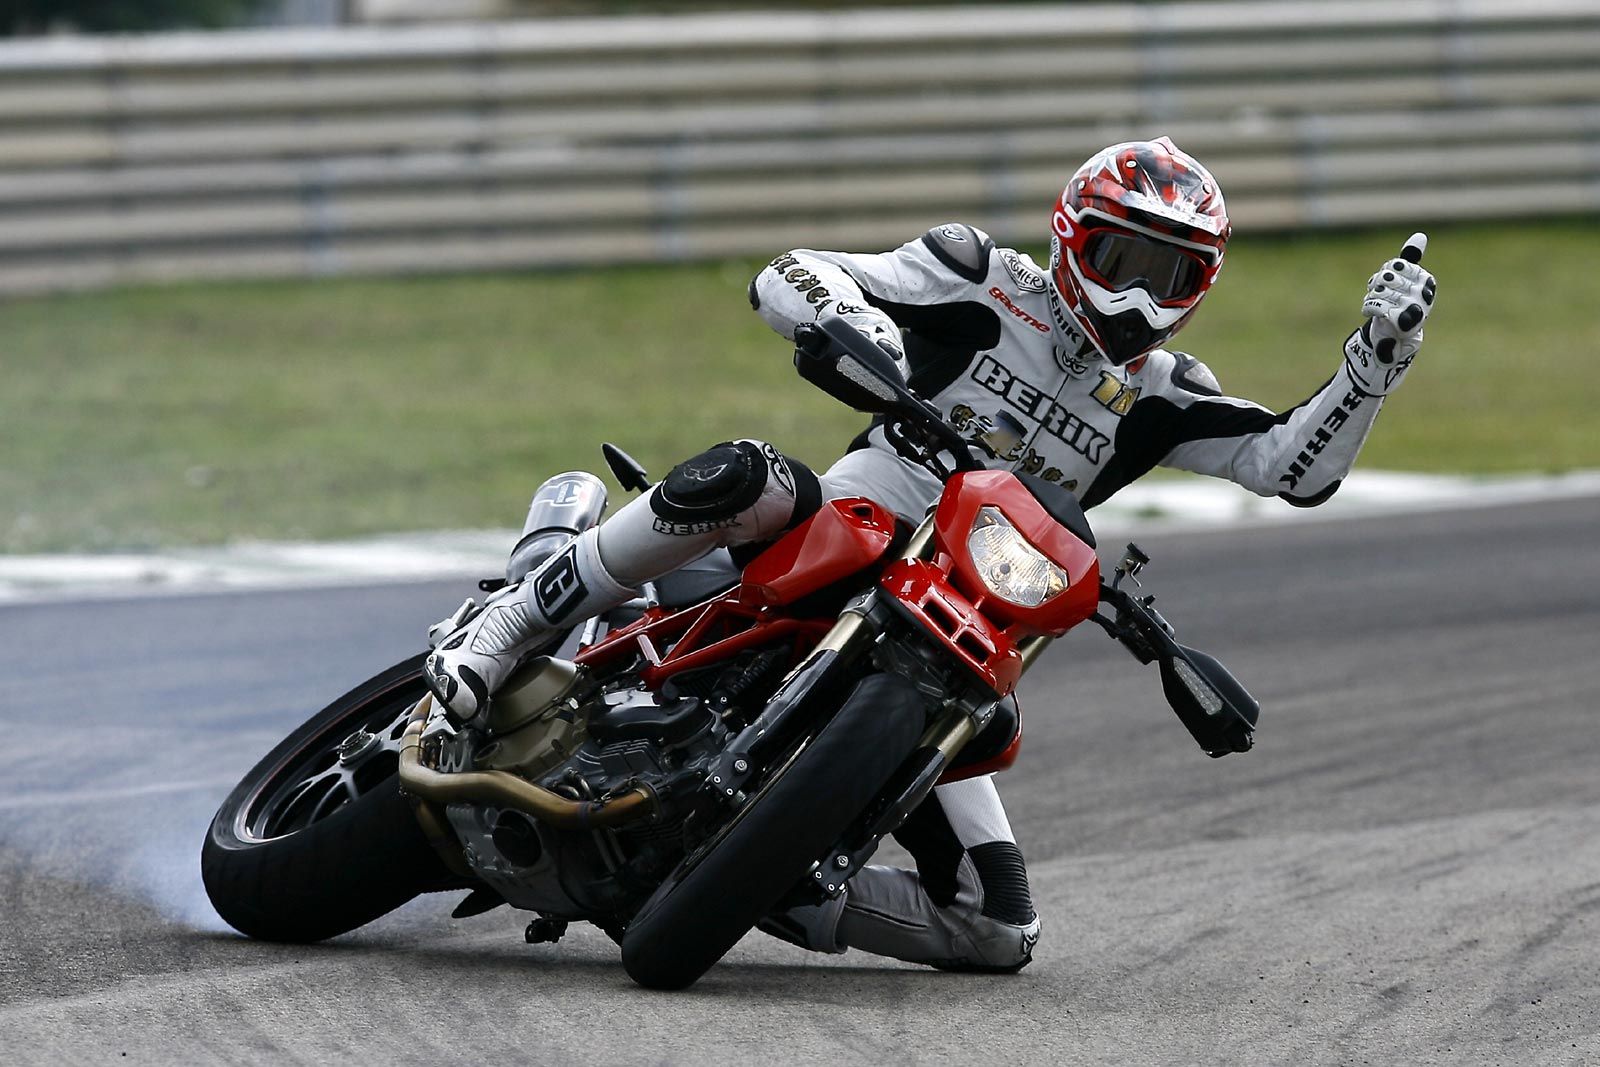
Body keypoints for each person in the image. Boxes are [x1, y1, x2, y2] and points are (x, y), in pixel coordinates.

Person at [422, 136, 1437, 972]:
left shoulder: (1163, 394)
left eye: (1167, 272)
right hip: (854, 520)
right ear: (1073, 237)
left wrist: (1368, 371)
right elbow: (791, 273)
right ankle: (511, 619)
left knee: (1001, 926)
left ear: (1198, 284)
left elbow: (1284, 466)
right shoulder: (980, 279)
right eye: (1123, 257)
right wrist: (855, 322)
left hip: (965, 620)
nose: (1137, 293)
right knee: (747, 471)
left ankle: (777, 881)